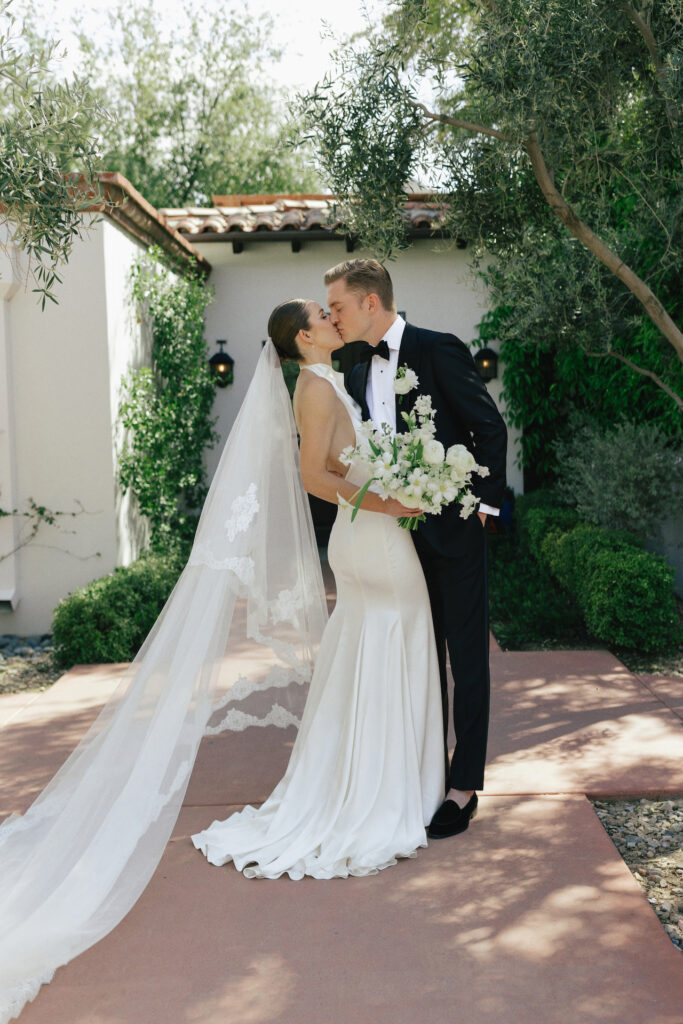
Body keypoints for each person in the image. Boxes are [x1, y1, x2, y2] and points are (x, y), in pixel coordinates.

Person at [191, 299, 445, 878]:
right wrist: (392, 501)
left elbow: (344, 459)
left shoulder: (327, 379)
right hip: (373, 535)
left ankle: (384, 784)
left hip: (369, 535)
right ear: (305, 337)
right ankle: (385, 794)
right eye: (321, 315)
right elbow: (313, 476)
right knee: (395, 636)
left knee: (372, 645)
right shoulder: (314, 387)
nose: (333, 318)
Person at [325, 259, 507, 840]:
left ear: (371, 303)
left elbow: (489, 427)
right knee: (417, 657)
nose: (333, 316)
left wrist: (484, 508)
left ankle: (463, 784)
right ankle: (423, 774)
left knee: (466, 659)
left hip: (454, 532)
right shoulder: (353, 368)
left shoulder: (438, 348)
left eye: (339, 307)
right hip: (394, 541)